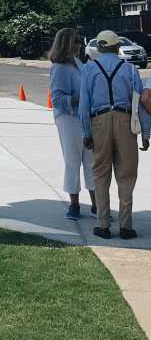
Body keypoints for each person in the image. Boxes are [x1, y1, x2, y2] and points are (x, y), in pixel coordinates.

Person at [78, 29, 143, 239]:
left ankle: (103, 224)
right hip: (125, 120)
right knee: (126, 174)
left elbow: (83, 106)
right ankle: (126, 225)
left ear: (99, 47)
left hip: (99, 120)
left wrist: (86, 132)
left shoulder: (89, 69)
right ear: (117, 47)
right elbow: (139, 103)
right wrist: (145, 133)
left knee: (101, 173)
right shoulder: (131, 70)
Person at [48, 27, 96, 219]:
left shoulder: (78, 63)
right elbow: (58, 99)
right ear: (67, 43)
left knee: (92, 161)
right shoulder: (59, 68)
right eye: (76, 40)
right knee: (73, 161)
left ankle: (96, 205)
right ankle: (74, 205)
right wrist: (81, 99)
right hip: (68, 119)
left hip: (85, 117)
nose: (80, 44)